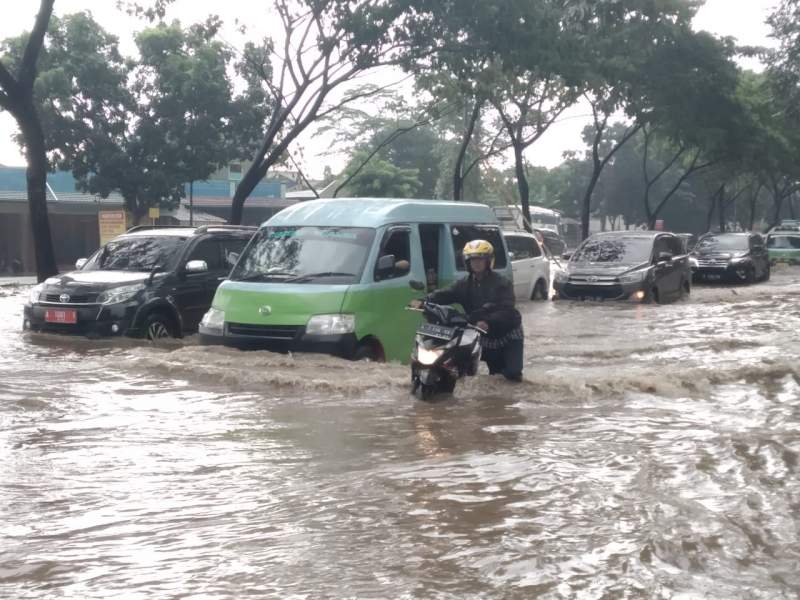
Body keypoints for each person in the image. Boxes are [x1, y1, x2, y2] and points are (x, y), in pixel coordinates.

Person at [412, 239, 524, 381]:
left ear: (488, 261)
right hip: (479, 331)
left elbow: (507, 309)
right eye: (472, 260)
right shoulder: (463, 283)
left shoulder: (502, 282)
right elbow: (446, 293)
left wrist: (487, 321)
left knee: (509, 375)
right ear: (467, 262)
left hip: (506, 333)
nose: (476, 263)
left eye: (480, 259)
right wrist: (424, 301)